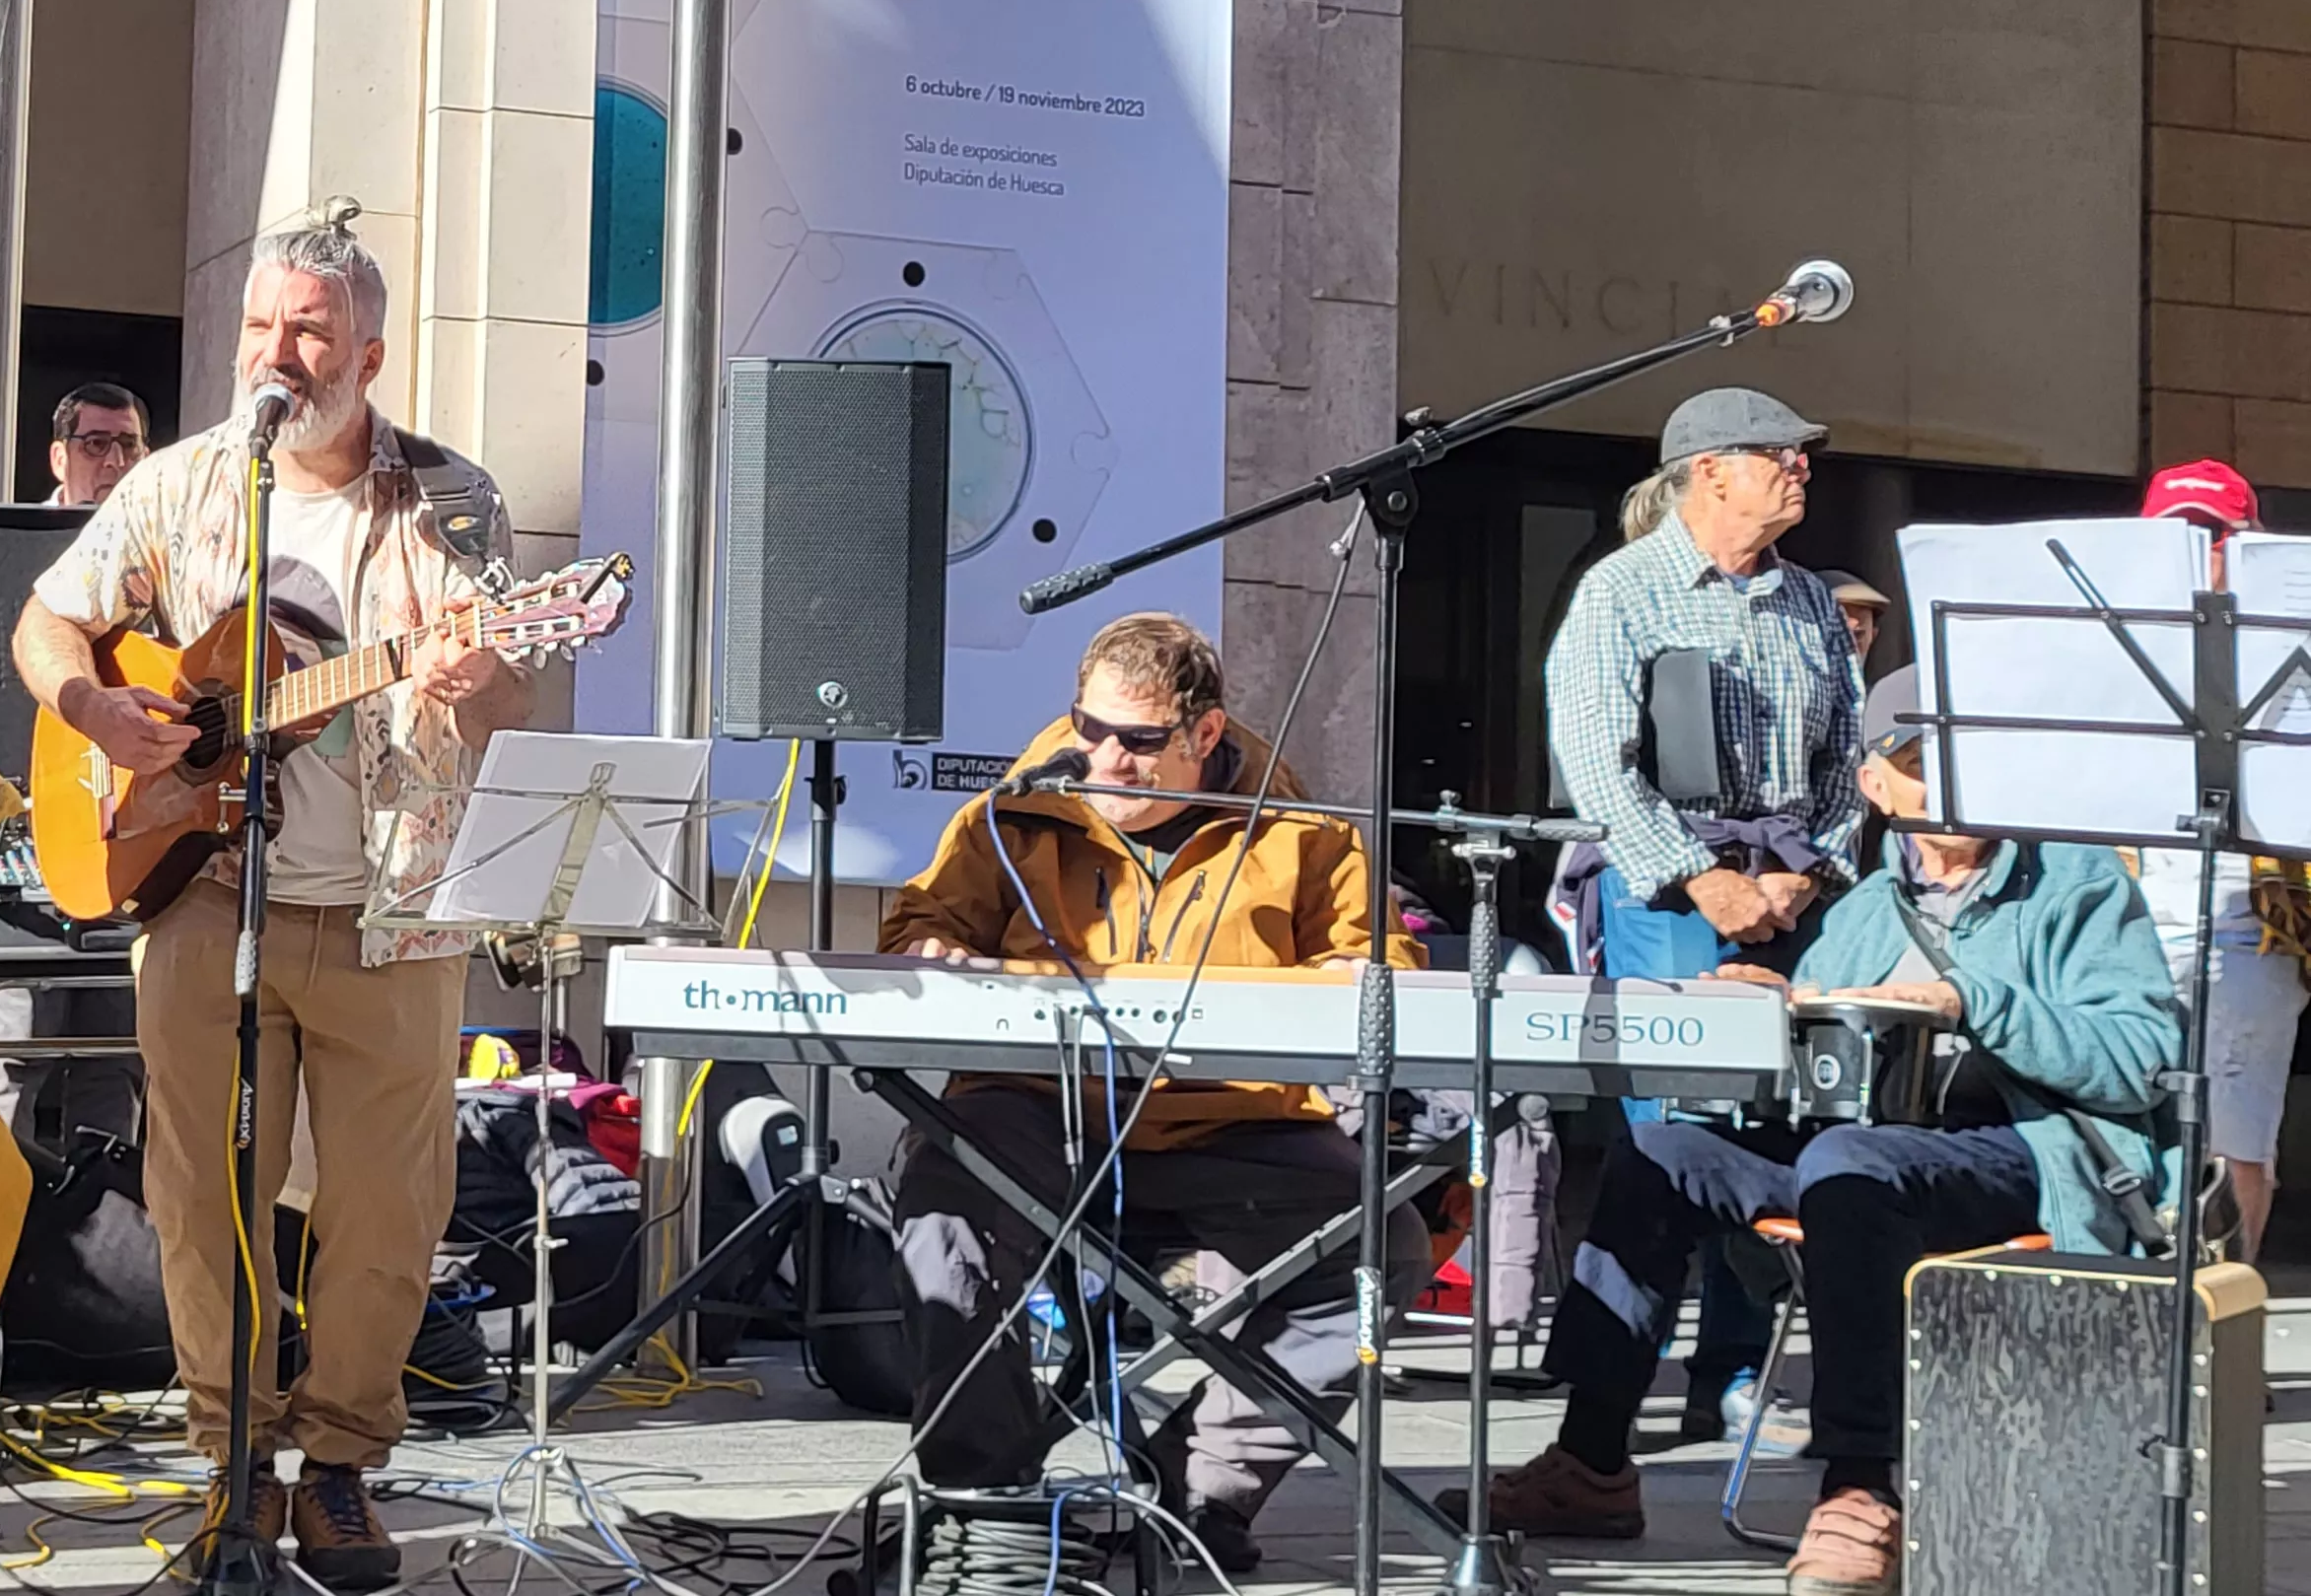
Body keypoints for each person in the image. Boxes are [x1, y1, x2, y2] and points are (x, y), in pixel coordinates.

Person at [16, 209, 525, 1591]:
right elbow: (48, 617)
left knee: (387, 1208)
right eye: (261, 326)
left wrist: (488, 674)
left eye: (308, 329)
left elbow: (512, 671)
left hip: (394, 903)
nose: (280, 353)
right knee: (200, 1198)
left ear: (368, 349)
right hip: (197, 890)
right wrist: (94, 707)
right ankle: (230, 1467)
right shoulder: (181, 485)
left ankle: (344, 1467)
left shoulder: (454, 498)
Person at [1453, 665, 2178, 1596]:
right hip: (1872, 1157)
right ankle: (1592, 1458)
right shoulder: (1870, 906)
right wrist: (1774, 1014)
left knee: (1846, 1162)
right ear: (1874, 784)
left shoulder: (2074, 882)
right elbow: (1819, 1075)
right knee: (1663, 1149)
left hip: (2034, 1153)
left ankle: (1858, 1487)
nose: (1953, 784)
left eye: (1973, 758)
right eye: (1923, 762)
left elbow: (2141, 1058)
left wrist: (1972, 1001)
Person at [875, 612, 1430, 1574]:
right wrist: (930, 948)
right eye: (1087, 730)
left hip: (1231, 1121)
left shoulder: (1305, 834)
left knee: (1386, 1240)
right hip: (1036, 1108)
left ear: (1204, 735)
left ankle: (1200, 1494)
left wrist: (1356, 978)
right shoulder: (1011, 813)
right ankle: (983, 1498)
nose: (1104, 760)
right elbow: (920, 924)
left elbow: (1380, 965)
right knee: (945, 1195)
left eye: (1137, 742)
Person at [1545, 385, 1862, 981]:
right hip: (1667, 895)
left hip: (1787, 891)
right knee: (1682, 1071)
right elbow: (1595, 760)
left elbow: (1847, 755)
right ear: (1711, 471)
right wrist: (1700, 876)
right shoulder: (1622, 588)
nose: (1802, 470)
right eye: (1782, 455)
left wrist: (1813, 870)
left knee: (1793, 1069)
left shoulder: (1811, 599)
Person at [2130, 458, 2306, 1257]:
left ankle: (2217, 1336)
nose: (2197, 551)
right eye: (2178, 535)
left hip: (2248, 906)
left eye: (2214, 535)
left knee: (2235, 1125)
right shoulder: (2103, 637)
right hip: (2121, 903)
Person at [44, 381, 152, 508]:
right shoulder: (29, 525)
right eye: (96, 443)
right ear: (60, 460)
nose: (116, 461)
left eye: (129, 444)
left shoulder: (167, 527)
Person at [1817, 570, 1887, 680]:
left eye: (1858, 635)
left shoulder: (1885, 695)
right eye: (1834, 634)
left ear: (1872, 637)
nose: (1848, 647)